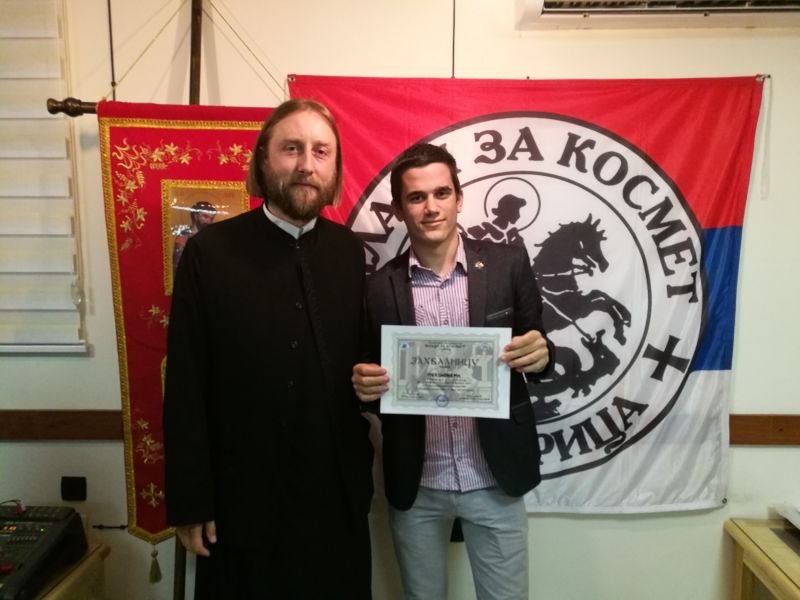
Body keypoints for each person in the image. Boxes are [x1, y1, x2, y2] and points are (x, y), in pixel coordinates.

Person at [163, 99, 373, 599]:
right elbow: (186, 382)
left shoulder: (349, 252)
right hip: (239, 505)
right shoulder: (209, 252)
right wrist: (190, 500)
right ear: (262, 159)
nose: (306, 165)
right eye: (291, 148)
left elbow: (365, 363)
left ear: (334, 168)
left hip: (333, 503)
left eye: (321, 151)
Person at [352, 143, 552, 600]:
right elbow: (368, 378)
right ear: (400, 209)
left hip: (495, 476)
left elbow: (539, 346)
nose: (431, 207)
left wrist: (541, 354)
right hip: (417, 480)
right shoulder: (377, 287)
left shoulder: (507, 265)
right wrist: (363, 385)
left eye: (441, 193)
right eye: (416, 197)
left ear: (459, 198)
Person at [172, 201, 217, 279]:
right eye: (205, 216)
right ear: (195, 216)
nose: (209, 222)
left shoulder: (210, 237)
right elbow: (178, 265)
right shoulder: (183, 237)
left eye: (211, 218)